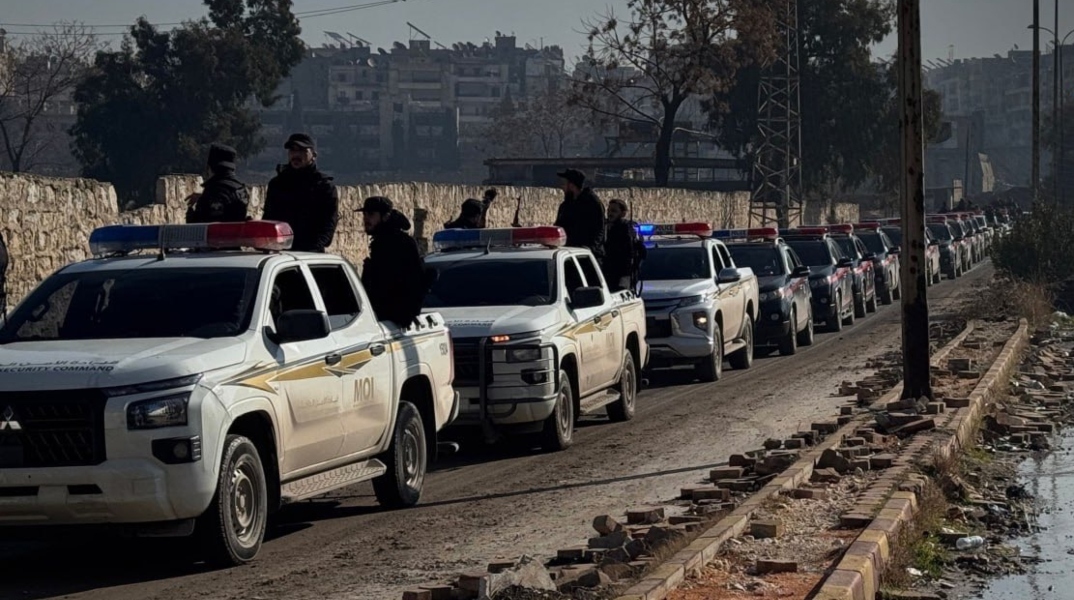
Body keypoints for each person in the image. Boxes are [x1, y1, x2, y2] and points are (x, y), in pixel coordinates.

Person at [357, 196, 427, 328]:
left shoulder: (400, 243)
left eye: (371, 214)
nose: (366, 219)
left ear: (385, 216)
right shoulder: (381, 241)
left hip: (394, 320)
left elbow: (409, 282)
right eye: (365, 214)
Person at [262, 133, 339, 252]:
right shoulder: (278, 184)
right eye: (292, 151)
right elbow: (269, 217)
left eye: (302, 151)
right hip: (281, 252)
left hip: (310, 253)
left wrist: (313, 248)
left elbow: (329, 223)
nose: (296, 155)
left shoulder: (324, 187)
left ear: (313, 155)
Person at [185, 143, 250, 224]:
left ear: (210, 168)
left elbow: (205, 225)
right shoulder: (240, 189)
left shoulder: (213, 191)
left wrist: (191, 213)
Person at [554, 169, 605, 262]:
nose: (562, 187)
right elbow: (559, 227)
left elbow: (599, 230)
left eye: (564, 184)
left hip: (587, 258)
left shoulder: (592, 203)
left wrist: (590, 249)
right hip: (567, 255)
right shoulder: (566, 205)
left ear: (572, 186)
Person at [602, 198, 645, 293]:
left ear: (623, 213)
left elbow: (641, 252)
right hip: (606, 274)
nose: (610, 214)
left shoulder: (627, 228)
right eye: (608, 210)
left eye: (614, 211)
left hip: (623, 275)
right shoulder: (604, 227)